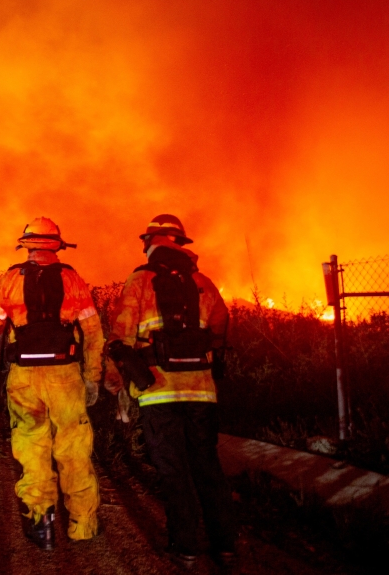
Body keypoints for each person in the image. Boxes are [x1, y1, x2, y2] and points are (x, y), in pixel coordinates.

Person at [105, 214, 237, 569]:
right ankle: (225, 544)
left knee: (173, 468)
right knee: (207, 465)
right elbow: (221, 325)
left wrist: (117, 380)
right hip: (201, 391)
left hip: (158, 392)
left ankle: (187, 546)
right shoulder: (203, 283)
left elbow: (121, 336)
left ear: (149, 243)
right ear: (181, 244)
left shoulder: (140, 280)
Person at [0, 217, 105, 550]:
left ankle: (42, 524)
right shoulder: (73, 280)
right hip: (66, 376)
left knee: (32, 447)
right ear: (58, 246)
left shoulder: (11, 279)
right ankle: (82, 525)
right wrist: (93, 377)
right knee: (74, 450)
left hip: (25, 377)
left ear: (28, 245)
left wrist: (12, 316)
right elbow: (93, 333)